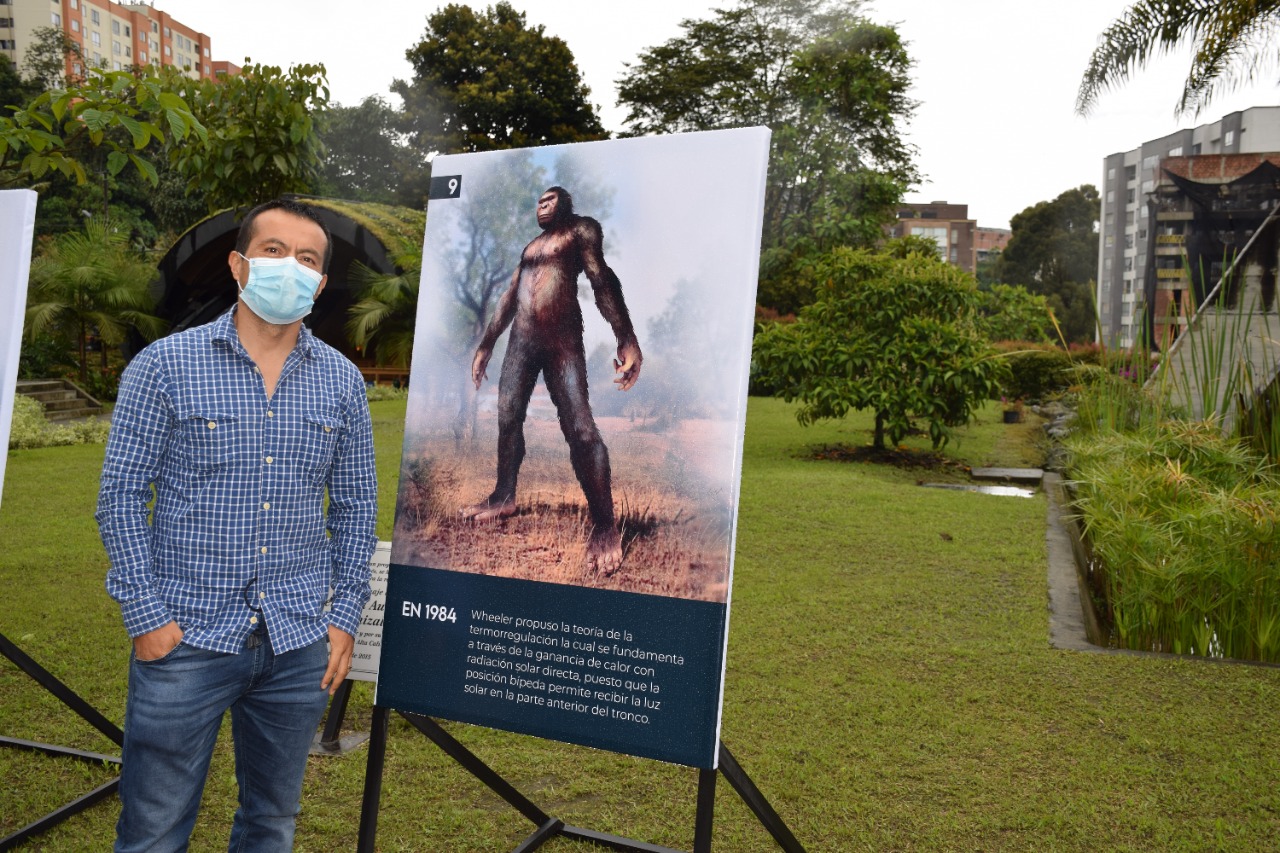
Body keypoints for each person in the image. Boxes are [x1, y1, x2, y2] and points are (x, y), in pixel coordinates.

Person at [96, 198, 378, 851]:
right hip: (184, 638)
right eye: (274, 250)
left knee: (270, 822)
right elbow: (120, 495)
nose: (291, 267)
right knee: (153, 830)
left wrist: (343, 619)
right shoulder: (164, 367)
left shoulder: (341, 382)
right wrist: (148, 617)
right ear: (238, 263)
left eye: (307, 259)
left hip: (298, 643)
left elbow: (358, 506)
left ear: (321, 282)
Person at [465, 186, 641, 574]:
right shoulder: (530, 247)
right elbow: (511, 295)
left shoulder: (580, 231)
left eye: (549, 201)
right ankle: (503, 496)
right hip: (521, 341)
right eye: (538, 201)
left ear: (564, 204)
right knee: (507, 415)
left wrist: (625, 336)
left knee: (579, 427)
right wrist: (485, 345)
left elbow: (601, 280)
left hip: (562, 339)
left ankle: (604, 525)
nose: (541, 206)